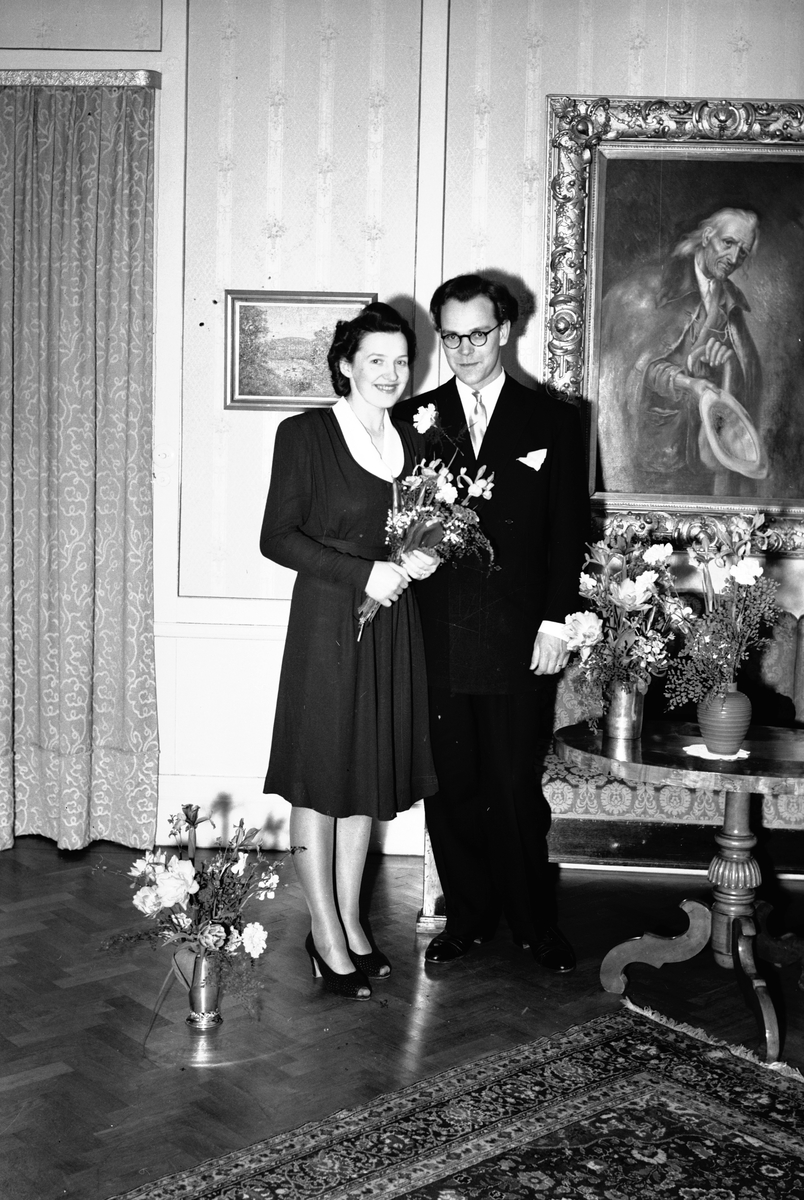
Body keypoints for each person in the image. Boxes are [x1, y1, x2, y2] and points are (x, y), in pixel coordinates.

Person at [395, 274, 589, 972]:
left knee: (512, 787)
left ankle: (534, 923)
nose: (465, 349)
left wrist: (556, 623)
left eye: (478, 334)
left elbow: (568, 533)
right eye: (450, 337)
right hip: (436, 636)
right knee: (451, 787)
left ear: (504, 331)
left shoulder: (555, 420)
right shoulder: (412, 419)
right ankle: (467, 918)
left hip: (517, 639)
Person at [260, 302, 439, 1001]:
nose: (391, 373)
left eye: (401, 361)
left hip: (390, 623)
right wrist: (362, 572)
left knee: (363, 773)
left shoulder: (414, 439)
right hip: (329, 620)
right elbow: (277, 537)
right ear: (345, 364)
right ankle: (324, 931)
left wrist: (424, 555)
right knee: (320, 774)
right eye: (376, 360)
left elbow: (424, 526)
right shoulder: (305, 434)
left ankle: (353, 924)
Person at [600, 208, 762, 495]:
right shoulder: (655, 287)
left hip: (705, 453)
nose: (734, 258)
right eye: (728, 243)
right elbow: (637, 369)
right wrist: (689, 382)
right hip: (660, 451)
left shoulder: (731, 302)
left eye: (743, 252)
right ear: (708, 236)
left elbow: (744, 379)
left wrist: (724, 364)